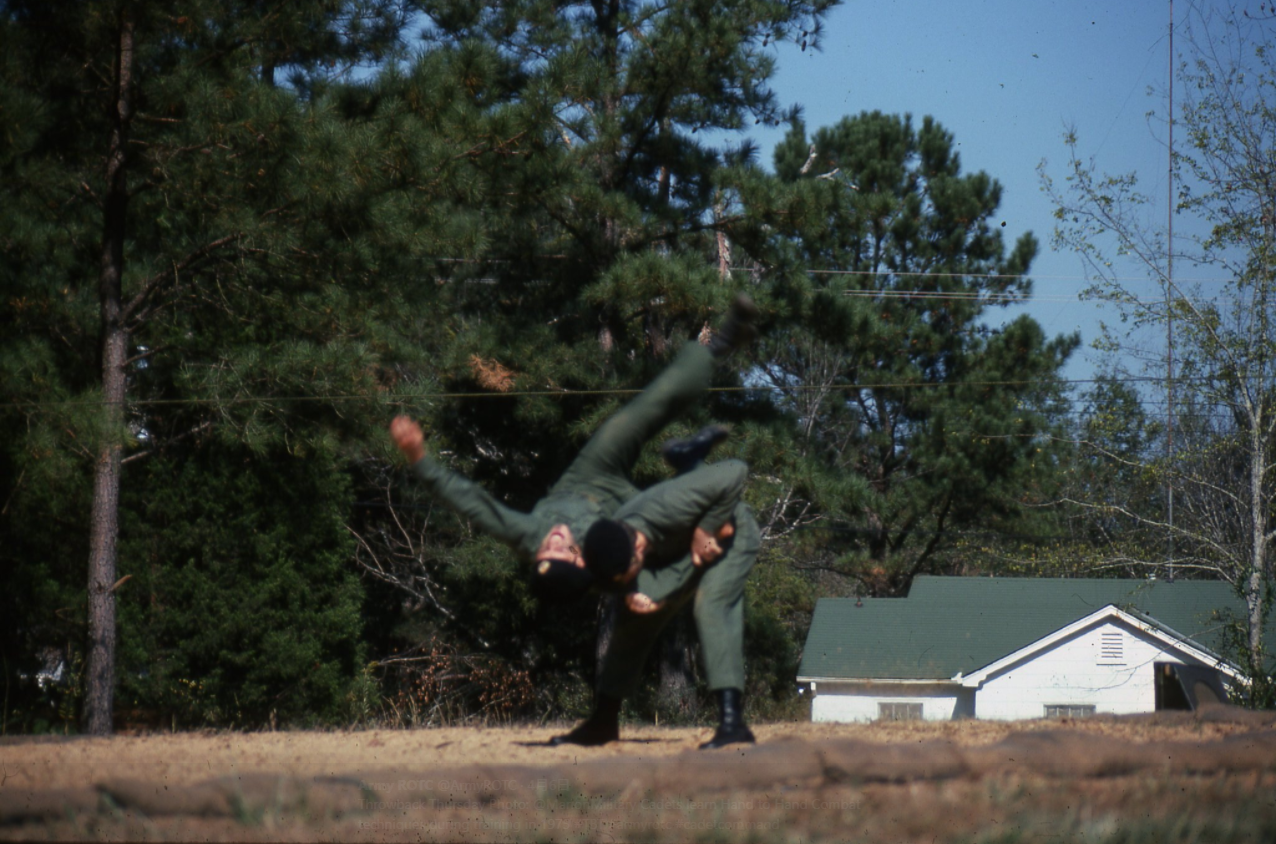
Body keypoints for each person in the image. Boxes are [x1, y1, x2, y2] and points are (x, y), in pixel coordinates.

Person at [389, 295, 758, 589]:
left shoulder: (528, 535)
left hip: (587, 476)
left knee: (633, 415)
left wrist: (419, 459)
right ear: (581, 559)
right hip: (626, 512)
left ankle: (717, 347)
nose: (553, 538)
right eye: (560, 547)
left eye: (545, 546)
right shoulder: (603, 560)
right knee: (674, 524)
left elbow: (474, 504)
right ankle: (692, 462)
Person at [550, 457, 759, 750]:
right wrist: (629, 594)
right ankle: (603, 723)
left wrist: (706, 528)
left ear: (636, 547)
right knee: (632, 618)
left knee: (710, 604)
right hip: (677, 553)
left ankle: (732, 722)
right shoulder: (606, 541)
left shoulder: (668, 504)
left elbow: (735, 469)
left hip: (727, 535)